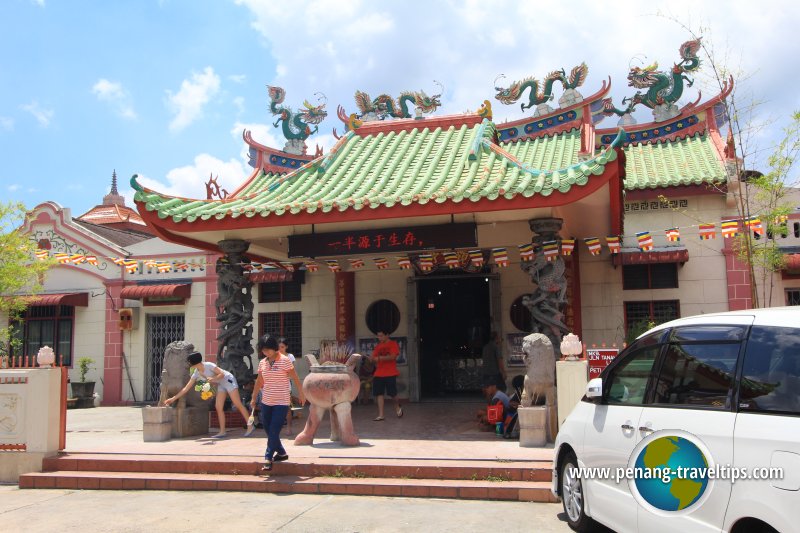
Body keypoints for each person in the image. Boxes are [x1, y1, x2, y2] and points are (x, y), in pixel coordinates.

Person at [165, 351, 254, 439]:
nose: (188, 364)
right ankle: (222, 431)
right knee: (218, 407)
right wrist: (173, 398)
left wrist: (213, 379)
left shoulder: (209, 365)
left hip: (228, 380)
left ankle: (250, 425)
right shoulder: (196, 373)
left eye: (189, 362)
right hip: (220, 384)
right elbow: (186, 388)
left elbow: (222, 374)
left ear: (193, 362)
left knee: (237, 404)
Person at [250, 333, 305, 471]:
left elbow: (295, 378)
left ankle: (268, 457)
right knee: (268, 429)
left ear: (274, 348)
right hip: (266, 401)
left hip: (281, 401)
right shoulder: (263, 362)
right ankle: (281, 452)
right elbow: (259, 381)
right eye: (263, 350)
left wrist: (302, 394)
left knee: (274, 429)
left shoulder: (285, 360)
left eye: (267, 349)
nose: (265, 352)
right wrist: (253, 397)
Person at [370, 330, 402, 421]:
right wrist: (372, 359)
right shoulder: (378, 346)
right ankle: (381, 415)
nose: (379, 338)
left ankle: (397, 406)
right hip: (379, 373)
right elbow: (373, 358)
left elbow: (393, 357)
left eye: (381, 336)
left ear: (387, 335)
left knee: (393, 393)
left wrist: (379, 358)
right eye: (378, 336)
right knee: (379, 393)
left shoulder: (393, 344)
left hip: (390, 372)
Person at [278, 337, 298, 431]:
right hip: (275, 383)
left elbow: (291, 371)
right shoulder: (274, 356)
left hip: (286, 383)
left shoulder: (290, 357)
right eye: (279, 347)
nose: (280, 349)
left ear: (286, 347)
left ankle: (289, 426)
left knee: (287, 406)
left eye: (282, 347)